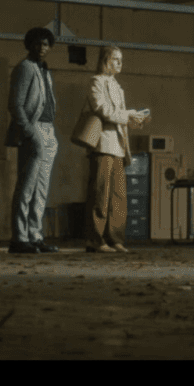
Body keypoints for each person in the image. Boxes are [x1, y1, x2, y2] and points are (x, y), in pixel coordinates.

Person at [73, 46, 148, 253]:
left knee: (118, 197)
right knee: (100, 194)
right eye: (115, 59)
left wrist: (133, 119)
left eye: (120, 59)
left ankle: (115, 238)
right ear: (105, 60)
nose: (119, 63)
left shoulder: (117, 86)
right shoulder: (96, 82)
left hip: (119, 146)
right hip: (103, 145)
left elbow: (117, 115)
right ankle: (95, 240)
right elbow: (102, 109)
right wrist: (127, 115)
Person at [7, 27, 59, 254]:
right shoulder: (25, 68)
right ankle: (19, 238)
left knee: (41, 190)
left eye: (46, 44)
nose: (42, 48)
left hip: (48, 130)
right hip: (34, 128)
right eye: (38, 43)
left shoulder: (44, 70)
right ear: (29, 45)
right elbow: (15, 104)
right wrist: (29, 131)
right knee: (26, 187)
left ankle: (35, 236)